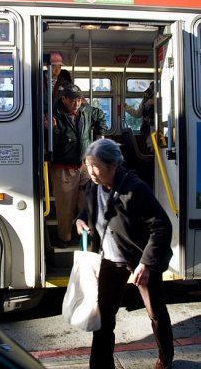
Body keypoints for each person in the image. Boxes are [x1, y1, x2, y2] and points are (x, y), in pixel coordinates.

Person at [75, 138, 174, 369]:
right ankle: (100, 364)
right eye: (88, 165)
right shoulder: (92, 186)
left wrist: (146, 264)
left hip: (139, 258)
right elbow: (88, 210)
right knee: (104, 317)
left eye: (96, 166)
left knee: (155, 312)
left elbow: (161, 225)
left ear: (114, 166)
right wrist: (80, 219)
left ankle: (165, 356)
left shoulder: (135, 189)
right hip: (110, 258)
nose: (91, 172)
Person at [44, 84, 107, 248]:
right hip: (63, 167)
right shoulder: (53, 115)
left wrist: (100, 133)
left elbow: (99, 114)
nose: (77, 103)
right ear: (64, 99)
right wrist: (51, 129)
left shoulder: (86, 111)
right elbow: (53, 144)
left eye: (79, 100)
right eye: (73, 100)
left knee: (88, 201)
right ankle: (64, 238)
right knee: (65, 207)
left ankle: (91, 237)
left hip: (84, 165)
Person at [124, 81, 154, 150]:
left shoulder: (161, 99)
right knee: (150, 144)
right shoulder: (145, 100)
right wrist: (126, 107)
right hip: (147, 128)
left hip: (156, 129)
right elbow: (138, 114)